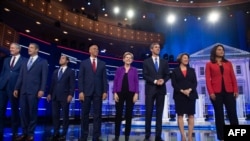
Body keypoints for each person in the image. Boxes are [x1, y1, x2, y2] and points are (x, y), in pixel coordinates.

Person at [13, 43, 48, 141]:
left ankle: (30, 133)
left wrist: (41, 89)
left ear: (37, 50)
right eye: (28, 47)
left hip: (34, 91)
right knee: (23, 113)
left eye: (31, 47)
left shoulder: (42, 62)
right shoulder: (25, 61)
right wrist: (16, 88)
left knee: (32, 113)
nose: (29, 49)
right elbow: (20, 76)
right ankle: (24, 133)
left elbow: (44, 77)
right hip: (23, 90)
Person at [205, 44, 239, 141]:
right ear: (215, 51)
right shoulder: (209, 64)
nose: (222, 51)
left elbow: (233, 77)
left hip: (229, 91)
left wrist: (236, 90)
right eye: (219, 49)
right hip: (216, 93)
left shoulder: (228, 63)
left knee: (233, 114)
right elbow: (208, 80)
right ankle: (222, 137)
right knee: (219, 115)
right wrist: (211, 92)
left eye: (222, 50)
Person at [78, 44, 108, 141]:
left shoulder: (102, 63)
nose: (96, 50)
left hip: (98, 92)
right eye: (94, 49)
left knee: (97, 115)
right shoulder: (84, 63)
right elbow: (81, 78)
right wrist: (81, 91)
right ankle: (84, 135)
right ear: (89, 51)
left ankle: (96, 135)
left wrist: (105, 91)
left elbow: (104, 79)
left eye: (97, 49)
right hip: (86, 92)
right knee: (85, 114)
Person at [143, 43, 170, 141]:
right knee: (148, 112)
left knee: (159, 113)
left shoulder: (164, 62)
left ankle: (158, 136)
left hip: (161, 90)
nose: (158, 49)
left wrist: (163, 80)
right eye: (156, 47)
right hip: (150, 90)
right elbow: (145, 75)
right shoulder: (146, 62)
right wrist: (155, 81)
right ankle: (147, 135)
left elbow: (167, 75)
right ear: (151, 49)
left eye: (159, 47)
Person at [0, 43, 27, 140]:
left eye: (12, 48)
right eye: (10, 47)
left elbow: (23, 76)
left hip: (14, 89)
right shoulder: (6, 59)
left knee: (14, 111)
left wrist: (18, 88)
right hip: (3, 87)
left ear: (18, 49)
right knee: (1, 109)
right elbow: (3, 73)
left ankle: (15, 132)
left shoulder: (24, 61)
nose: (10, 49)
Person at [47, 55, 75, 141]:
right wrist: (49, 93)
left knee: (65, 116)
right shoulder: (56, 71)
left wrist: (71, 94)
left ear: (67, 61)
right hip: (55, 96)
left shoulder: (70, 71)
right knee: (55, 115)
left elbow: (72, 84)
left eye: (63, 58)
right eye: (60, 58)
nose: (60, 59)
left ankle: (64, 134)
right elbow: (52, 84)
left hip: (65, 96)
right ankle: (56, 132)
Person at [171, 53, 198, 141]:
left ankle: (190, 136)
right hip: (179, 95)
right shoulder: (175, 71)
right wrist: (183, 91)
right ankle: (183, 136)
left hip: (191, 94)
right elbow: (174, 84)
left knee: (191, 115)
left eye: (187, 58)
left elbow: (195, 83)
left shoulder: (192, 70)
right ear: (180, 60)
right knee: (180, 116)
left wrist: (189, 90)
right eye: (184, 58)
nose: (186, 59)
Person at [113, 52, 139, 141]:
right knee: (118, 114)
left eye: (130, 58)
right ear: (123, 59)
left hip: (131, 93)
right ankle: (116, 135)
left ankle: (127, 136)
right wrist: (114, 92)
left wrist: (136, 93)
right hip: (119, 93)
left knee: (129, 114)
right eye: (126, 57)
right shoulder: (119, 69)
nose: (128, 59)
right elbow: (115, 81)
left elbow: (136, 82)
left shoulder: (134, 70)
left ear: (132, 60)